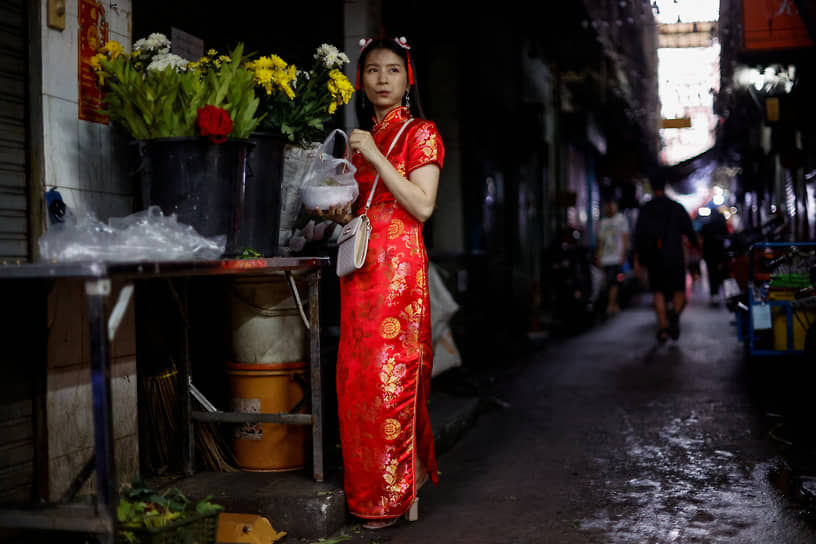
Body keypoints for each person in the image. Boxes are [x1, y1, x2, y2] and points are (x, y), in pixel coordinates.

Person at [310, 36, 445, 530]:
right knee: (355, 380)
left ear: (408, 79)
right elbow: (363, 206)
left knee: (391, 378)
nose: (382, 79)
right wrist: (341, 210)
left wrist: (377, 157)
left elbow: (423, 206)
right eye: (372, 70)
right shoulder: (362, 140)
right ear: (361, 80)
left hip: (399, 275)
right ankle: (364, 491)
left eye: (392, 70)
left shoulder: (421, 134)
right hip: (360, 268)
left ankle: (391, 496)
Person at [633, 172, 698, 342]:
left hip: (654, 258)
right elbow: (690, 233)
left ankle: (663, 328)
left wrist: (637, 259)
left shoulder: (646, 209)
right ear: (666, 185)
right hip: (674, 256)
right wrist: (698, 250)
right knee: (679, 291)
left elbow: (638, 236)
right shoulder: (677, 207)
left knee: (658, 292)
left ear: (652, 187)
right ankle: (674, 316)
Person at [595, 200, 630, 315]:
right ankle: (613, 304)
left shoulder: (621, 220)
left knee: (614, 281)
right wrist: (598, 256)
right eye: (607, 205)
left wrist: (624, 255)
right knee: (609, 282)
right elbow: (600, 241)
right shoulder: (603, 222)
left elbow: (625, 239)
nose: (609, 207)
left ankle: (611, 305)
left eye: (612, 205)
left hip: (616, 257)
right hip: (606, 257)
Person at [699, 209, 730, 306]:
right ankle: (725, 295)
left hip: (709, 254)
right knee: (723, 275)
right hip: (721, 254)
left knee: (712, 275)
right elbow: (727, 238)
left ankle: (714, 295)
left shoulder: (706, 226)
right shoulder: (722, 226)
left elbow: (701, 240)